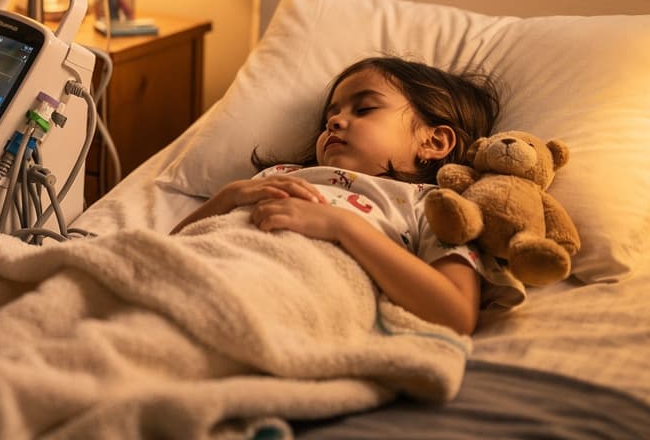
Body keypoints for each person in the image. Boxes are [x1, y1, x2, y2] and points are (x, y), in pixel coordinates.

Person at [171, 56, 511, 335]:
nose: (335, 122)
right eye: (330, 116)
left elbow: (455, 313)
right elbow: (171, 248)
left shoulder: (434, 205)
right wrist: (229, 197)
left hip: (285, 293)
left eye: (363, 110)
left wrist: (342, 226)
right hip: (205, 268)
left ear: (433, 142)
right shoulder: (280, 176)